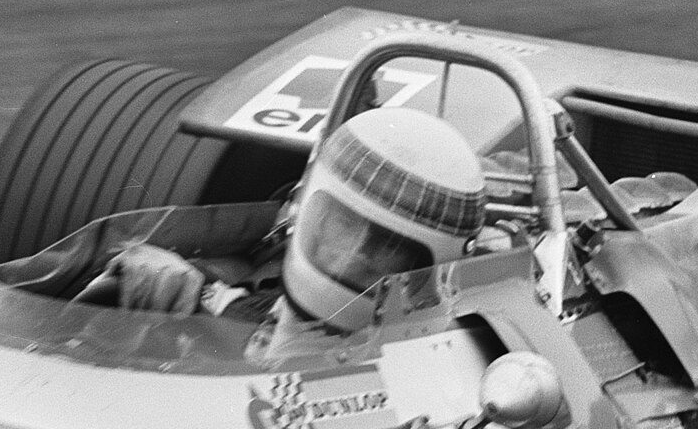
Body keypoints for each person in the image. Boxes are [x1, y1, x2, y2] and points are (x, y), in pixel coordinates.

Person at [107, 106, 488, 334]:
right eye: (344, 223)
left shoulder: (450, 347)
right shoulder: (245, 292)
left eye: (386, 245)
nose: (354, 253)